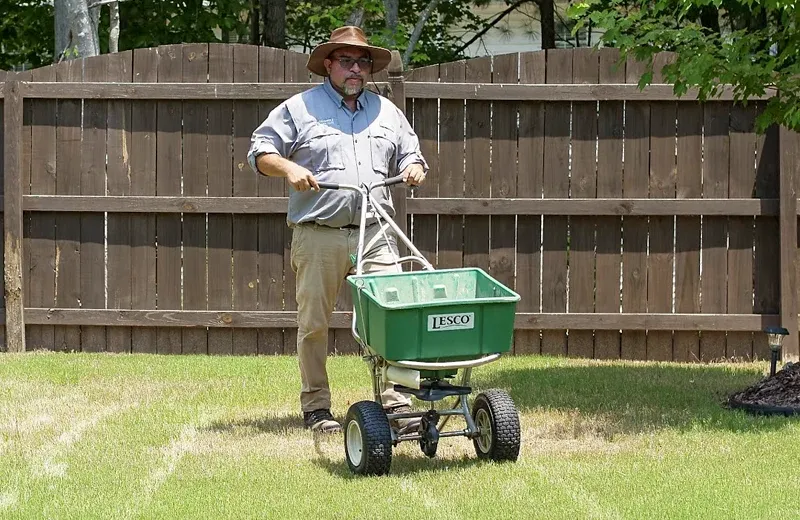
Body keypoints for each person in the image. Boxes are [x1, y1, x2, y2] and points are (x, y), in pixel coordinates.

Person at [247, 26, 428, 433]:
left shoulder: (386, 112)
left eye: (363, 61)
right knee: (314, 324)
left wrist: (413, 168)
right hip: (319, 234)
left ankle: (397, 404)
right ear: (328, 64)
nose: (356, 69)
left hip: (376, 234)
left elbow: (411, 154)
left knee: (393, 318)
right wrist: (289, 167)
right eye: (346, 60)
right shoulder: (300, 108)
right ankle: (316, 407)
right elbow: (260, 151)